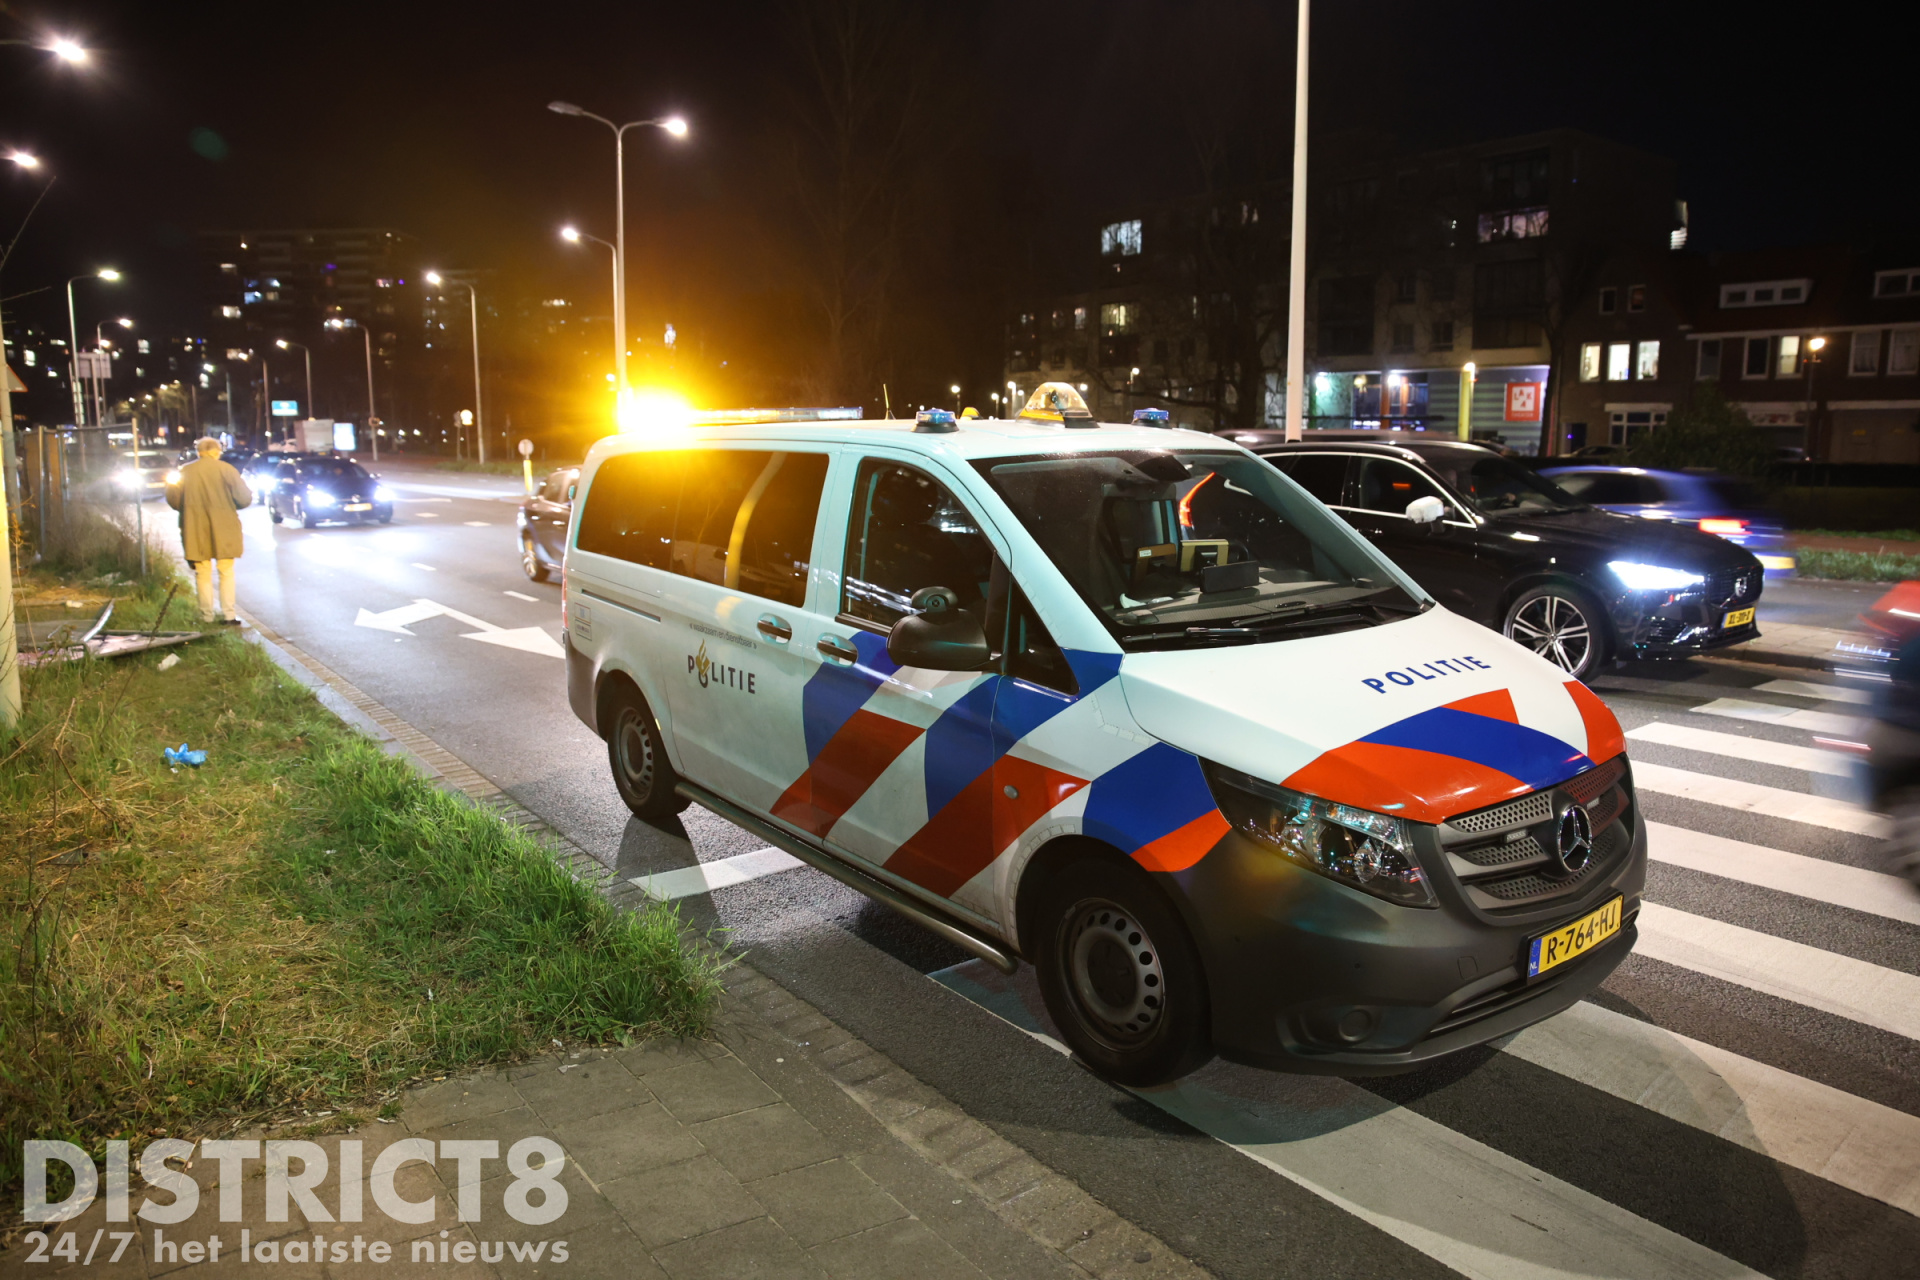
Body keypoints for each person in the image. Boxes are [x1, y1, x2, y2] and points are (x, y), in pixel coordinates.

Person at [165, 437, 252, 624]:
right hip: (225, 526)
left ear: (199, 452)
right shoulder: (227, 470)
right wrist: (229, 505)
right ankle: (229, 615)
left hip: (194, 526)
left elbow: (173, 500)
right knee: (226, 571)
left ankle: (207, 616)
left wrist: (188, 508)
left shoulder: (184, 471)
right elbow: (244, 498)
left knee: (202, 572)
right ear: (217, 452)